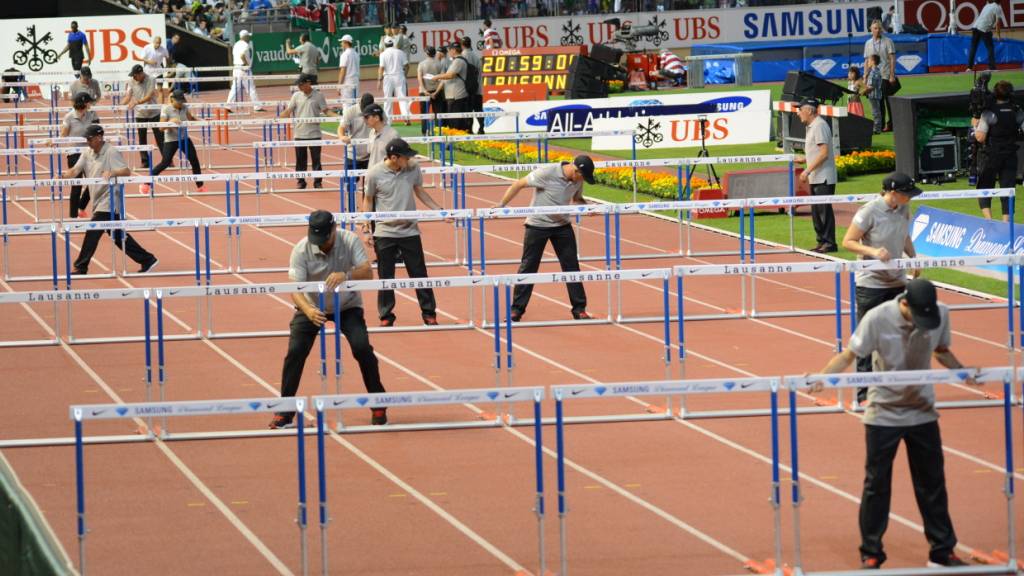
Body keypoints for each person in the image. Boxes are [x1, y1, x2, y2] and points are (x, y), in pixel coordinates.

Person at [810, 278, 976, 570]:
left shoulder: (940, 313)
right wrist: (822, 377)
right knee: (877, 484)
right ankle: (871, 552)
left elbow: (941, 351)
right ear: (904, 304)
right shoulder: (877, 318)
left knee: (933, 482)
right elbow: (850, 354)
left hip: (922, 410)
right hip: (883, 413)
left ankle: (942, 551)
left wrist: (964, 373)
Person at [272, 209, 387, 429]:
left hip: (347, 306)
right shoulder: (300, 250)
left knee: (362, 349)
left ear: (333, 229)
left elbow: (367, 271)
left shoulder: (349, 240)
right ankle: (284, 410)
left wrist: (347, 275)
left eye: (325, 239)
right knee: (295, 352)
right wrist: (308, 310)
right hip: (312, 306)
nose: (321, 245)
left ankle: (378, 402)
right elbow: (295, 288)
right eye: (317, 240)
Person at [843, 172, 921, 402]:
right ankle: (863, 393)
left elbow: (904, 236)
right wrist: (873, 251)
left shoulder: (904, 209)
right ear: (893, 193)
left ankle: (894, 389)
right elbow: (848, 241)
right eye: (907, 194)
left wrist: (914, 258)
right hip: (871, 283)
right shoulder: (868, 211)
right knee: (867, 338)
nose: (910, 198)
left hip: (897, 281)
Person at [497, 155, 596, 322]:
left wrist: (587, 208)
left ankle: (579, 309)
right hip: (537, 225)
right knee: (528, 266)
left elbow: (577, 199)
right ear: (575, 170)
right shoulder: (547, 172)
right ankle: (516, 310)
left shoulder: (578, 180)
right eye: (582, 176)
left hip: (562, 226)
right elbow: (518, 184)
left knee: (572, 266)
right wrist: (501, 205)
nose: (582, 180)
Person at [362, 138, 444, 326]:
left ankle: (429, 313)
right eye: (406, 157)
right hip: (384, 231)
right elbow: (368, 199)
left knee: (419, 273)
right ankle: (386, 315)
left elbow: (420, 191)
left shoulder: (413, 168)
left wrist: (439, 210)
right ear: (393, 158)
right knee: (386, 276)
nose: (409, 159)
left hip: (409, 231)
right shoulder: (374, 173)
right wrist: (365, 227)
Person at [64, 125, 159, 275]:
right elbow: (75, 170)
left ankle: (81, 266)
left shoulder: (111, 152)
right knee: (118, 236)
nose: (87, 142)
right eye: (86, 139)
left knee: (93, 231)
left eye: (90, 139)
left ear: (99, 137)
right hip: (97, 199)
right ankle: (147, 259)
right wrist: (62, 176)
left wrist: (112, 172)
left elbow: (126, 171)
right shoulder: (87, 153)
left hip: (110, 200)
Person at [973, 79, 1021, 221]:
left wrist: (975, 125)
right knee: (1008, 189)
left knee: (984, 187)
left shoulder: (989, 113)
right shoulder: (1017, 111)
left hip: (991, 156)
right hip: (1010, 155)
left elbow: (980, 137)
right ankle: (1006, 224)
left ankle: (989, 221)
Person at [796, 97, 838, 253]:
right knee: (816, 211)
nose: (798, 113)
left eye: (800, 109)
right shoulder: (812, 126)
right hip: (817, 176)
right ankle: (821, 241)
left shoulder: (819, 125)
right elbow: (817, 152)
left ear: (809, 110)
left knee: (823, 211)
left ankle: (829, 243)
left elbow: (824, 153)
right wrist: (805, 159)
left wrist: (807, 170)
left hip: (823, 177)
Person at [281, 73, 336, 189]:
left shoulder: (319, 95)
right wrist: (278, 118)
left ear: (308, 83)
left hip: (314, 133)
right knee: (300, 160)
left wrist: (338, 117)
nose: (299, 87)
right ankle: (301, 181)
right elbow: (288, 110)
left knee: (316, 160)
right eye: (298, 85)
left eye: (301, 84)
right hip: (299, 133)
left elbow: (326, 111)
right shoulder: (296, 96)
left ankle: (318, 182)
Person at [146, 90, 207, 193]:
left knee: (194, 160)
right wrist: (171, 121)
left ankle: (200, 185)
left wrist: (202, 121)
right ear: (172, 99)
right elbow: (161, 128)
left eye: (182, 101)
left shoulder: (184, 107)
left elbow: (191, 118)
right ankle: (146, 183)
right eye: (178, 101)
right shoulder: (166, 109)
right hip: (171, 140)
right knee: (165, 162)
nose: (180, 103)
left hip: (184, 138)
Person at [60, 92, 100, 218]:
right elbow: (63, 134)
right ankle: (73, 217)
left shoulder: (92, 115)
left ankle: (81, 207)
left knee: (94, 182)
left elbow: (98, 131)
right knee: (77, 185)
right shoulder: (69, 117)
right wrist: (54, 141)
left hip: (89, 152)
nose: (91, 104)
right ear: (84, 103)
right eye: (89, 102)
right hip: (74, 153)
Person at [124, 64, 164, 168]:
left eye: (135, 75)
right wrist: (119, 106)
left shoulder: (151, 79)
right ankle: (145, 161)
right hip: (140, 114)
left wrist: (137, 102)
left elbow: (149, 95)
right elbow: (128, 96)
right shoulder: (131, 81)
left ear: (141, 74)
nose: (134, 77)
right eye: (133, 75)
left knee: (160, 137)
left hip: (154, 112)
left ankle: (167, 159)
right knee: (142, 138)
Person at [863, 20, 896, 132]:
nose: (878, 30)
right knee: (878, 101)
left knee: (888, 101)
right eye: (875, 28)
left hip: (885, 75)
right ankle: (880, 126)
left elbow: (892, 59)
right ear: (871, 29)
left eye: (879, 28)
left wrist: (892, 75)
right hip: (874, 76)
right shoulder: (868, 43)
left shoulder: (888, 41)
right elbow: (867, 61)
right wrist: (865, 76)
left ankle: (891, 124)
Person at [433, 42, 470, 131]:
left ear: (454, 50)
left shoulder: (458, 61)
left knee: (455, 122)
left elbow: (450, 75)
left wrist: (437, 76)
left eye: (449, 50)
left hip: (457, 96)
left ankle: (457, 138)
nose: (448, 52)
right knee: (455, 121)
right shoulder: (457, 60)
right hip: (455, 95)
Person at [226, 30, 264, 112]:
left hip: (236, 68)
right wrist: (246, 64)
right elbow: (242, 55)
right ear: (245, 36)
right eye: (248, 36)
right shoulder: (245, 45)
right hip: (244, 69)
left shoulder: (236, 44)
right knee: (251, 88)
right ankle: (257, 107)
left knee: (234, 88)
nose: (249, 37)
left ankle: (228, 107)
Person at [378, 38, 410, 122]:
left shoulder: (383, 54)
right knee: (402, 97)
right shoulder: (400, 52)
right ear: (393, 43)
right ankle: (406, 117)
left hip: (388, 77)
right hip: (399, 76)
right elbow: (407, 66)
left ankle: (387, 120)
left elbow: (381, 68)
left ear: (385, 45)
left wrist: (379, 80)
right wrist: (404, 75)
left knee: (387, 99)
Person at [968, 0, 1003, 72]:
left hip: (975, 27)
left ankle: (969, 67)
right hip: (984, 28)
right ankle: (992, 67)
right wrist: (998, 36)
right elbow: (997, 23)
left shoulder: (987, 5)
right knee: (990, 47)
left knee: (973, 47)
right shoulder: (998, 8)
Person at [417, 46, 444, 135]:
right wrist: (436, 92)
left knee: (424, 113)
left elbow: (420, 78)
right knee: (438, 113)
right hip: (437, 91)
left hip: (424, 92)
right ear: (435, 53)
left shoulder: (421, 64)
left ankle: (425, 131)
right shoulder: (440, 64)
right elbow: (443, 80)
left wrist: (424, 90)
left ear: (426, 53)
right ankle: (438, 131)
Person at [461, 36, 484, 134]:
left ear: (462, 45)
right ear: (470, 44)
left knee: (468, 111)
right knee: (479, 110)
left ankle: (469, 129)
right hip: (478, 89)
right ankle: (481, 128)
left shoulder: (461, 56)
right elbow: (479, 72)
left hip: (466, 90)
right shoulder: (476, 56)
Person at [142, 36, 170, 102]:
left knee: (160, 90)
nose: (158, 44)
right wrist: (149, 62)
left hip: (158, 71)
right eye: (157, 43)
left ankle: (161, 106)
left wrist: (167, 66)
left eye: (159, 43)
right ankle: (150, 105)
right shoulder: (147, 47)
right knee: (149, 90)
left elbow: (167, 57)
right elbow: (143, 58)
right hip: (148, 71)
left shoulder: (163, 49)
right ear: (153, 42)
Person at [337, 34, 360, 100]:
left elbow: (342, 71)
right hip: (356, 81)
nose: (341, 44)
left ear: (346, 42)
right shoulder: (356, 54)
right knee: (355, 102)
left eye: (342, 42)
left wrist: (339, 86)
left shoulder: (345, 54)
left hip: (348, 82)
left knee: (346, 103)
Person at [865, 55, 884, 133]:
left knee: (876, 112)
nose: (868, 62)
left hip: (874, 95)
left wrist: (862, 92)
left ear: (873, 61)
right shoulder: (875, 70)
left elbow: (871, 86)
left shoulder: (874, 71)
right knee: (876, 112)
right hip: (874, 94)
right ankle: (877, 128)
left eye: (869, 61)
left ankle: (877, 129)